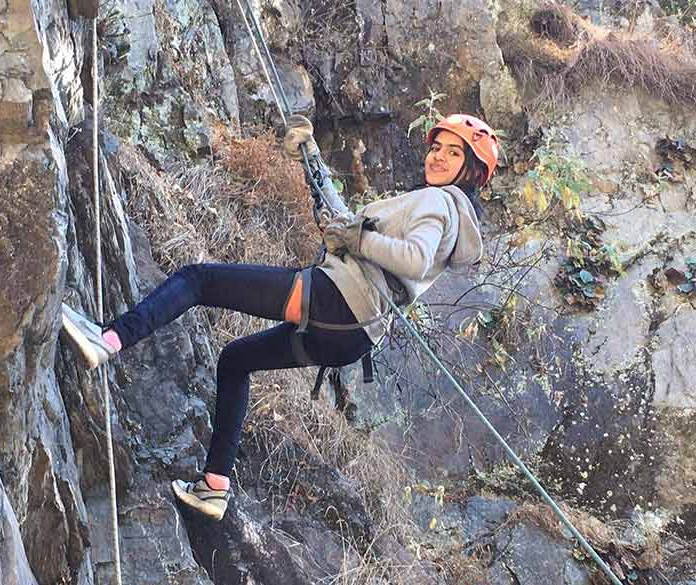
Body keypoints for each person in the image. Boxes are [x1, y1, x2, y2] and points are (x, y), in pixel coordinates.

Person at [60, 113, 499, 521]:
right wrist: (312, 158)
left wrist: (355, 240)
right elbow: (347, 223)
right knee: (236, 360)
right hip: (352, 336)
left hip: (338, 299)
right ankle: (214, 486)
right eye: (437, 147)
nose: (438, 156)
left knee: (198, 280)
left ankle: (108, 339)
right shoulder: (446, 213)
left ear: (472, 172)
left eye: (454, 153)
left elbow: (413, 259)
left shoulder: (439, 203)